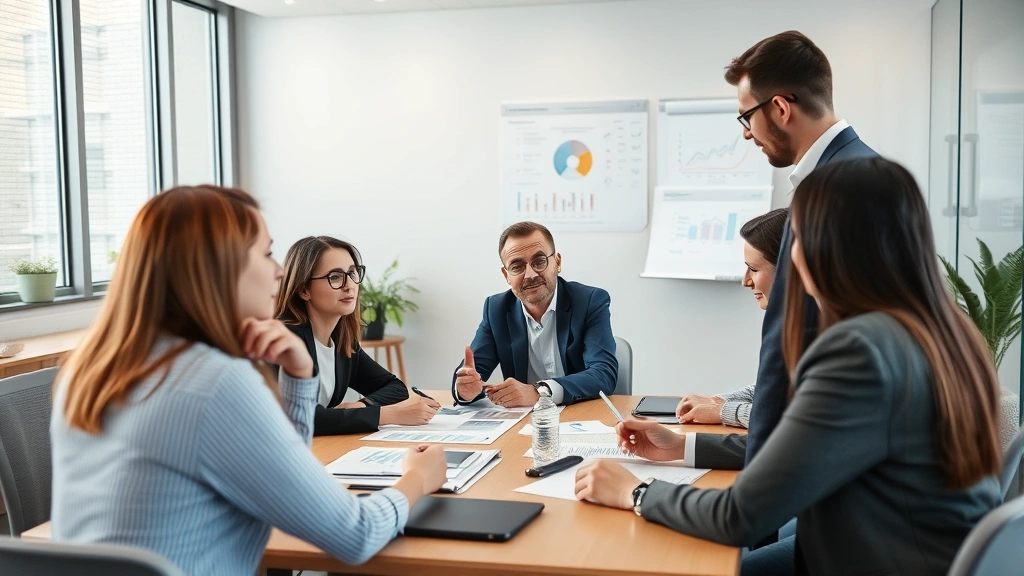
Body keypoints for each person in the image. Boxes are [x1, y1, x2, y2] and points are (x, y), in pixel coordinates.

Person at [573, 158, 1003, 576]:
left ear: (829, 246)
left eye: (798, 237)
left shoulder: (859, 352)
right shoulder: (946, 331)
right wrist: (679, 446)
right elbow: (804, 454)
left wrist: (634, 491)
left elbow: (740, 516)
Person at [50, 186, 448, 576]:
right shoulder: (215, 381)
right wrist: (418, 476)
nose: (279, 272)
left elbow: (285, 461)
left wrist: (299, 377)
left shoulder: (91, 369)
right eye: (267, 253)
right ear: (219, 267)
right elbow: (355, 535)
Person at [687, 30, 881, 473]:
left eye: (745, 118)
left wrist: (756, 497)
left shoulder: (832, 190)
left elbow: (791, 342)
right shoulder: (863, 170)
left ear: (779, 107)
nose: (746, 135)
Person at [276, 236, 439, 435]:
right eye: (335, 277)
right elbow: (298, 417)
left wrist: (361, 406)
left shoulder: (342, 341)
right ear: (303, 290)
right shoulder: (283, 339)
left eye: (352, 273)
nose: (349, 285)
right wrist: (386, 415)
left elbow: (395, 387)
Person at [452, 221, 617, 408]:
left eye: (539, 262)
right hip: (523, 422)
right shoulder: (496, 309)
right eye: (517, 266)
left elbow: (603, 374)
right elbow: (471, 373)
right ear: (506, 275)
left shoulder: (589, 301)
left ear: (557, 262)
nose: (530, 274)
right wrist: (465, 390)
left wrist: (539, 392)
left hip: (580, 414)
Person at [676, 208, 788, 428]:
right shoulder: (788, 321)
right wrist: (718, 401)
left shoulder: (821, 332)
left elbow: (783, 418)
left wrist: (723, 410)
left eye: (753, 269)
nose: (745, 281)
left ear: (788, 270)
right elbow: (769, 389)